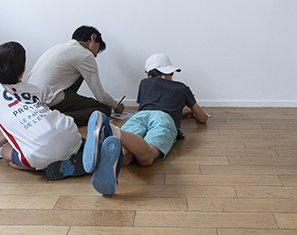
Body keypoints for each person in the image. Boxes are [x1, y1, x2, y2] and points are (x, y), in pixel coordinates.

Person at [0, 42, 85, 177]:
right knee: (53, 137)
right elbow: (18, 130)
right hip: (70, 132)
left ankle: (53, 167)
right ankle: (81, 152)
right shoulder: (34, 89)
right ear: (23, 70)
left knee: (6, 152)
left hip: (43, 153)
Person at [82, 54, 208, 195]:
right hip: (164, 118)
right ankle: (110, 129)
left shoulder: (144, 83)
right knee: (147, 157)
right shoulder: (182, 87)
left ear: (149, 75)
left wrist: (180, 111)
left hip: (139, 116)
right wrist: (189, 111)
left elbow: (153, 104)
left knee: (127, 156)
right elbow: (202, 118)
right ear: (171, 72)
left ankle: (111, 134)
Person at [26, 25, 124, 126]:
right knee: (104, 109)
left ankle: (52, 113)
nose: (96, 55)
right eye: (98, 49)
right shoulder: (85, 55)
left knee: (80, 73)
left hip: (33, 99)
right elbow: (101, 97)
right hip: (50, 98)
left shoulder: (59, 48)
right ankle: (57, 119)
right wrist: (115, 105)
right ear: (93, 37)